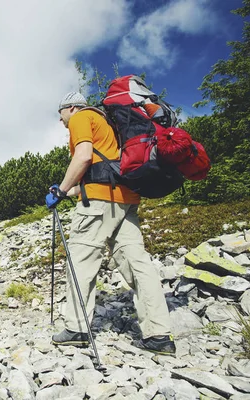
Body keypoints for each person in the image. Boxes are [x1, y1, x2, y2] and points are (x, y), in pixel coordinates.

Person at [49, 91, 175, 355]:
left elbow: (83, 157)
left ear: (70, 107)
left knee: (81, 262)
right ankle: (159, 335)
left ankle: (77, 328)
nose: (61, 122)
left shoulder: (82, 117)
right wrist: (70, 191)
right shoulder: (111, 124)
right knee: (137, 263)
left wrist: (60, 190)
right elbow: (102, 170)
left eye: (60, 114)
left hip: (98, 203)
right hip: (126, 199)